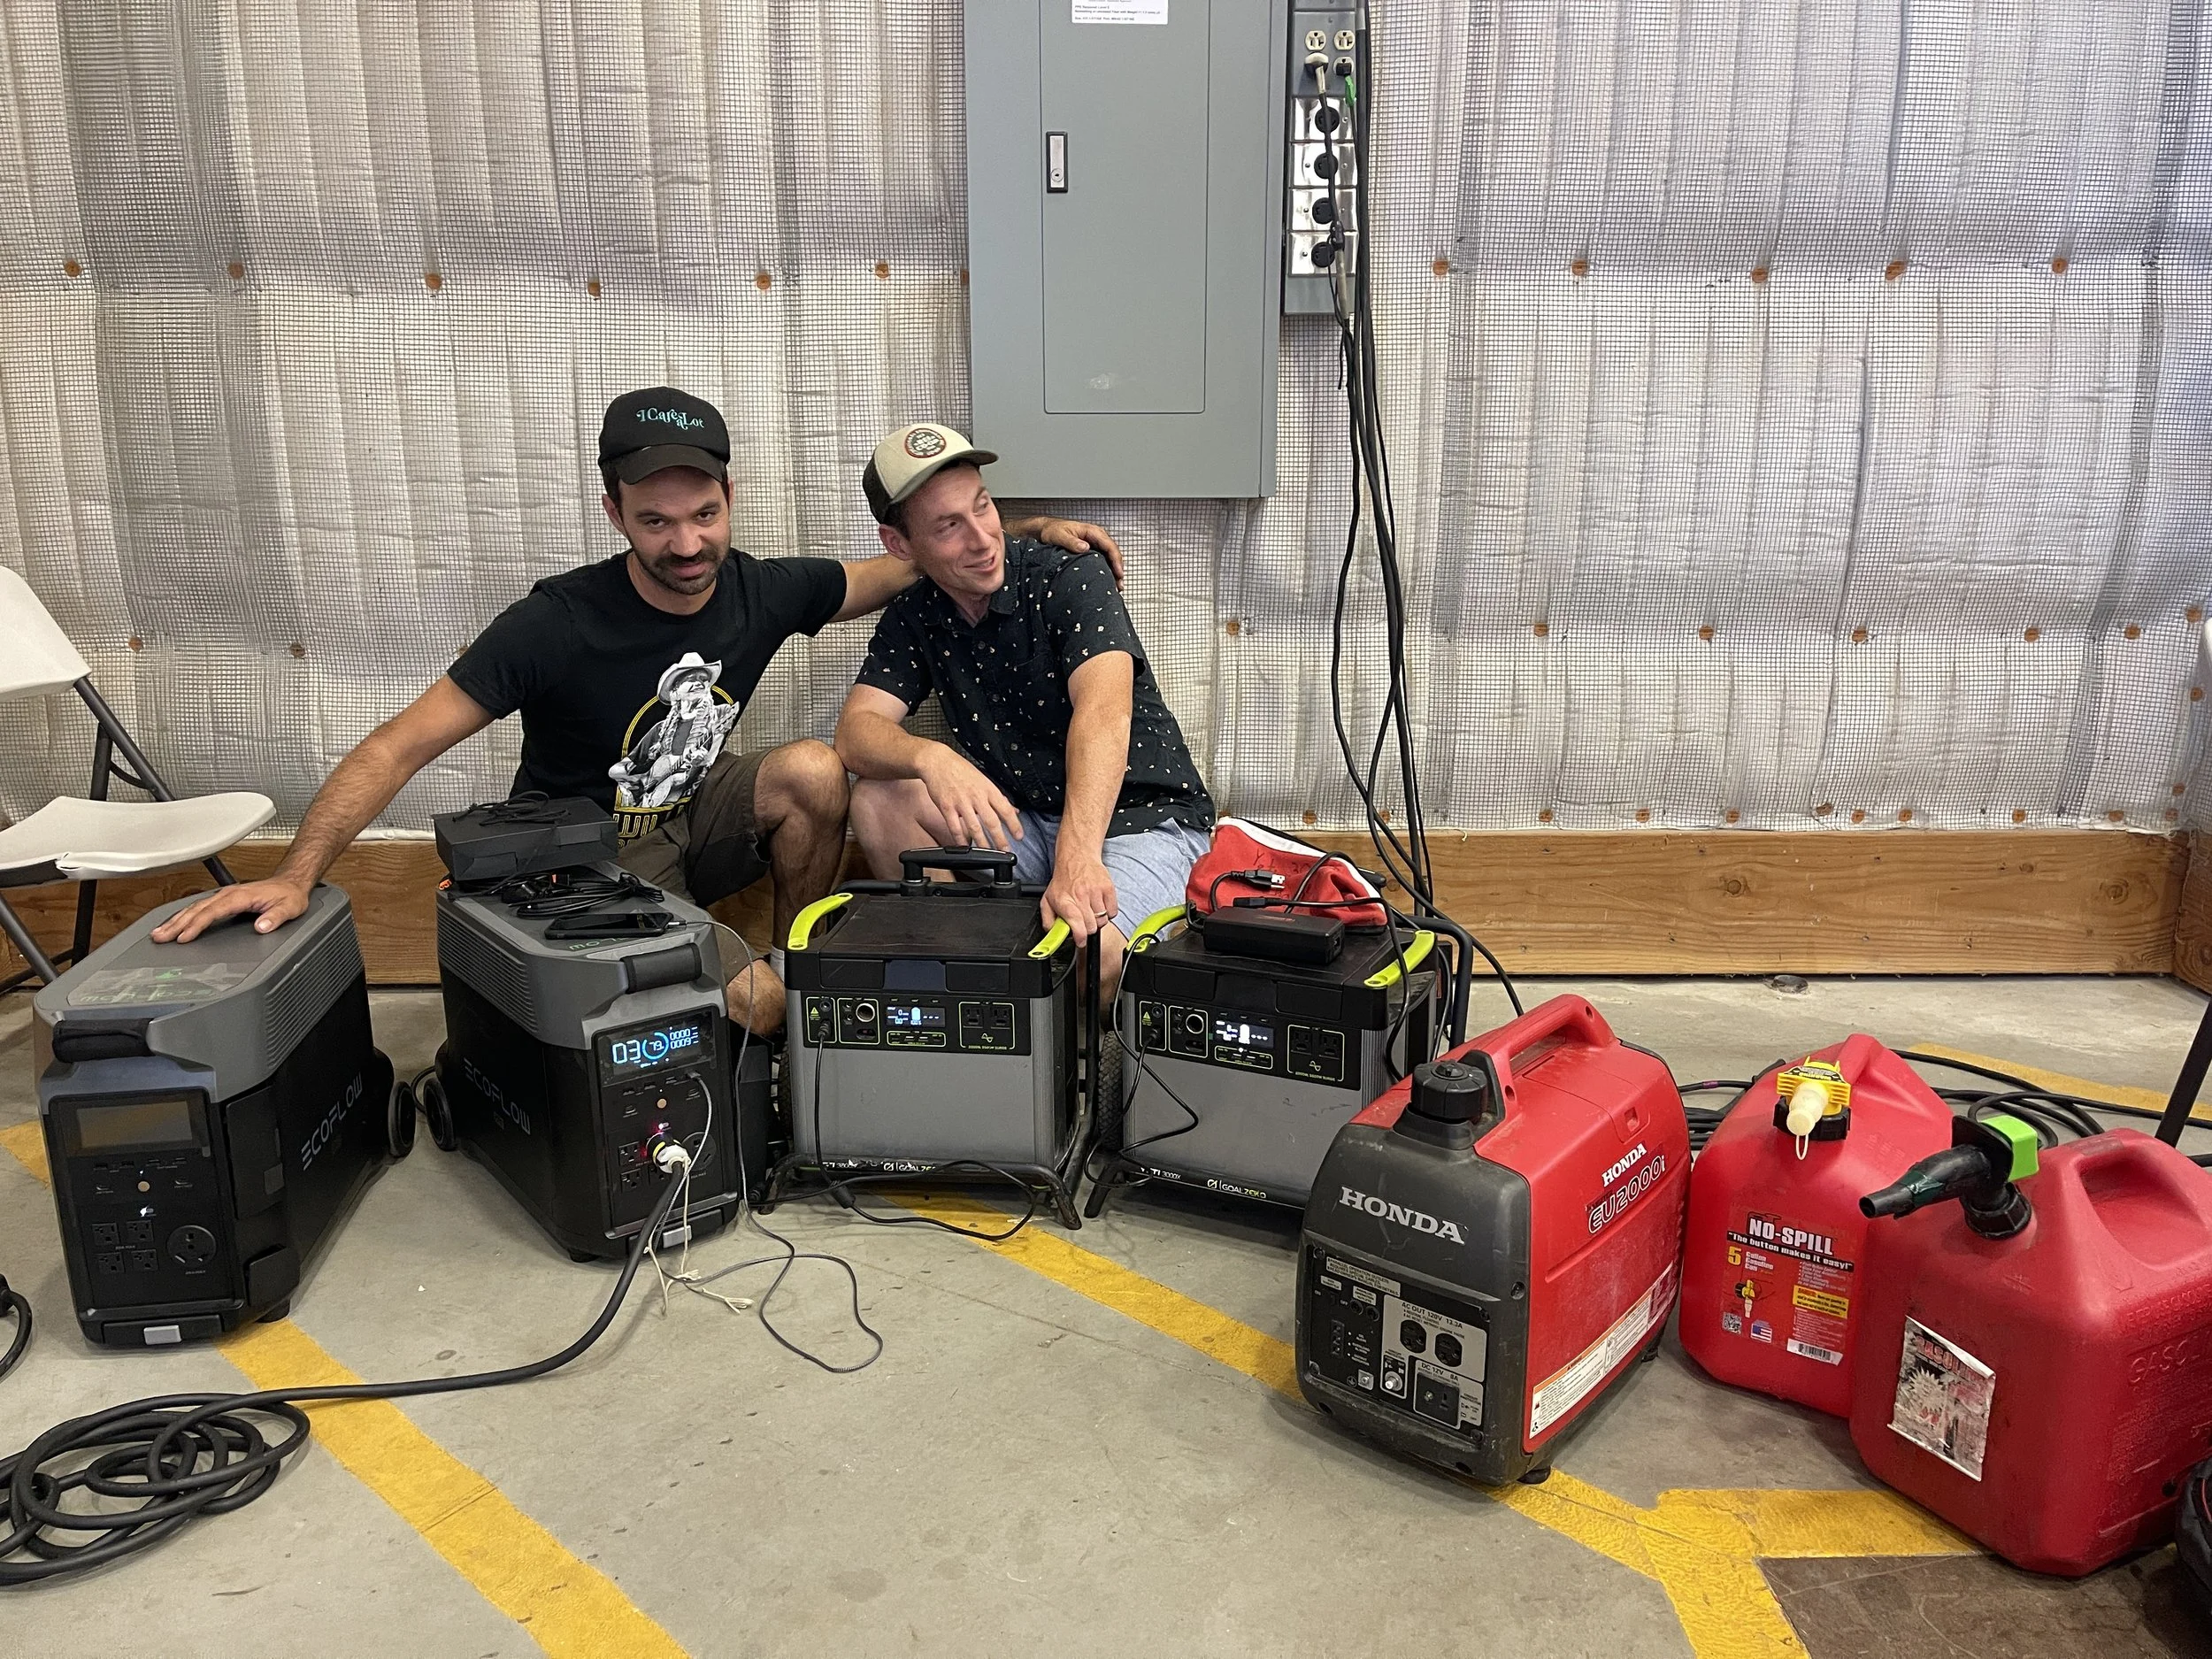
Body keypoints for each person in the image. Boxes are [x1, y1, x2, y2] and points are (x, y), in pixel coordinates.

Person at [156, 389, 1119, 1033]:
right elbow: (395, 748)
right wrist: (296, 875)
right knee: (761, 1012)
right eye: (656, 521)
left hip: (692, 824)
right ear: (615, 512)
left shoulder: (763, 589)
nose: (686, 544)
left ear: (729, 497)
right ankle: (764, 1005)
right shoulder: (553, 623)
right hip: (585, 858)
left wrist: (1024, 532)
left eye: (703, 515)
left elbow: (908, 560)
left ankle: (794, 962)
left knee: (815, 771)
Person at [834, 423, 1214, 999]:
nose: (982, 539)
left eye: (982, 506)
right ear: (901, 545)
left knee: (1091, 955)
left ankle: (1041, 1019)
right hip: (1029, 822)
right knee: (878, 799)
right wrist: (930, 757)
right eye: (948, 526)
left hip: (1139, 817)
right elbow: (855, 733)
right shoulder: (916, 611)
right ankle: (967, 982)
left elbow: (1104, 715)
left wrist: (1077, 858)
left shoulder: (1069, 573)